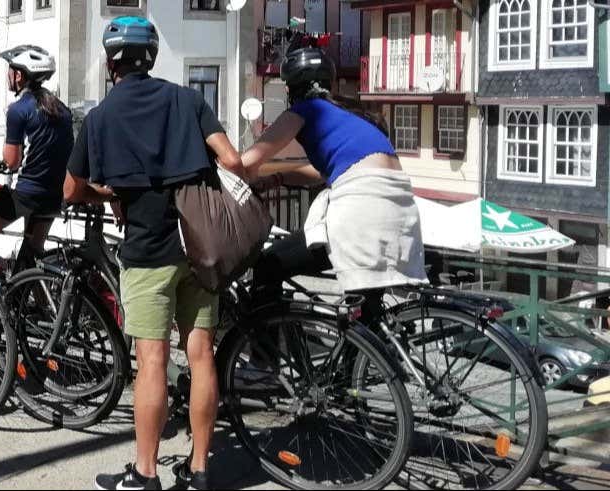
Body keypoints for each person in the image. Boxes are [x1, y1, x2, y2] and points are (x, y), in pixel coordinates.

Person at [69, 17, 242, 491]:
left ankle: (146, 473)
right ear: (151, 57)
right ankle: (201, 466)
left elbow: (71, 188)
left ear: (110, 63)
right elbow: (230, 160)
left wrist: (111, 196)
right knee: (201, 354)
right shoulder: (188, 100)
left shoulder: (100, 117)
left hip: (147, 252)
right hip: (199, 247)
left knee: (151, 361)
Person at [243, 46, 427, 329]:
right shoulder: (354, 115)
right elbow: (323, 171)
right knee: (365, 312)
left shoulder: (304, 111)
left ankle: (264, 361)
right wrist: (277, 178)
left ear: (292, 88)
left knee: (269, 265)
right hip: (399, 213)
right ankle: (362, 370)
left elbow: (247, 162)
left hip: (362, 213)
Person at [0, 44, 71, 271]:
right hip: (53, 196)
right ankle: (32, 305)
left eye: (10, 70)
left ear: (19, 75)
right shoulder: (62, 109)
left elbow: (12, 161)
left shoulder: (19, 110)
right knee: (31, 256)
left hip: (24, 195)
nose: (7, 75)